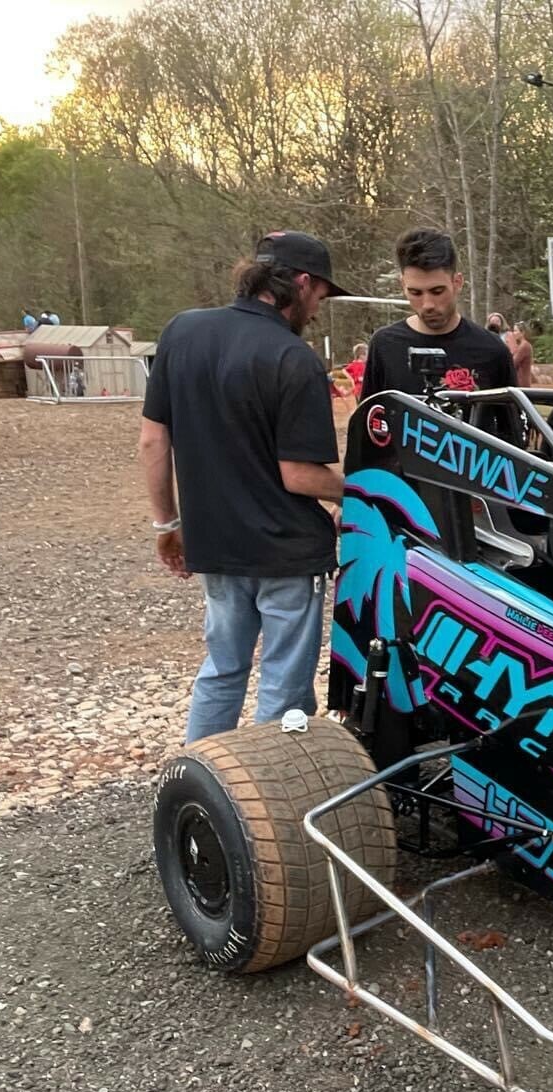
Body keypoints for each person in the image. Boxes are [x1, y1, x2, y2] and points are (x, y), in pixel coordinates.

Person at [140, 229, 353, 743]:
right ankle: (270, 789)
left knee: (222, 669)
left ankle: (199, 778)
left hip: (215, 543)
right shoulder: (293, 358)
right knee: (284, 690)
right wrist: (367, 493)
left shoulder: (182, 331)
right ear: (302, 283)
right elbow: (299, 475)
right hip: (286, 552)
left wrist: (167, 524)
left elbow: (152, 441)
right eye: (320, 296)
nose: (317, 311)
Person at [364, 229, 514, 399]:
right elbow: (369, 413)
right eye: (415, 293)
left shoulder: (492, 350)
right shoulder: (385, 345)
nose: (428, 304)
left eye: (437, 291)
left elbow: (511, 415)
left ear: (457, 282)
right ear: (403, 285)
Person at [506, 321, 535, 390]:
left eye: (516, 331)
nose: (514, 333)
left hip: (522, 382)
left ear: (522, 333)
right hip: (520, 381)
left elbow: (513, 363)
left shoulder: (524, 346)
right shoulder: (521, 345)